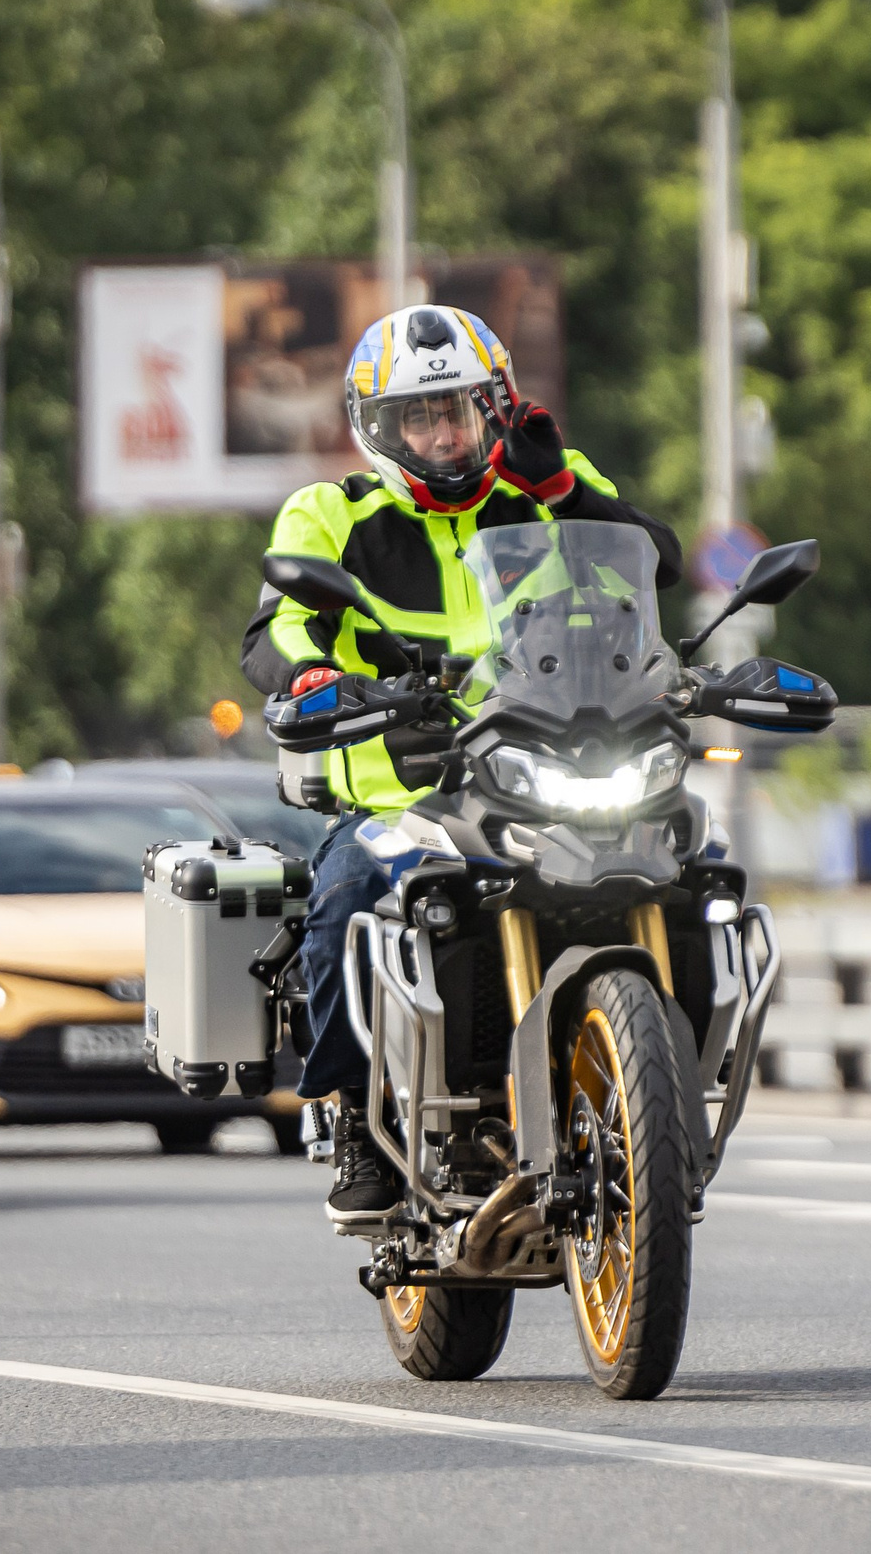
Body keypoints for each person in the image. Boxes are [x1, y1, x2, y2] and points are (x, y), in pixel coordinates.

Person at [241, 303, 681, 1220]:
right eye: (419, 417)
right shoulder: (331, 513)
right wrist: (313, 672)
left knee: (693, 862)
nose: (445, 434)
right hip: (405, 791)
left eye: (461, 410)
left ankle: (662, 1090)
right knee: (345, 891)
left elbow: (654, 564)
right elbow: (276, 625)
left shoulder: (546, 488)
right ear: (381, 430)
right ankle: (354, 1116)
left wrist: (561, 488)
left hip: (545, 774)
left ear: (497, 408)